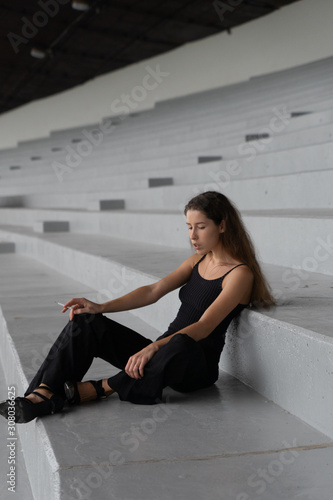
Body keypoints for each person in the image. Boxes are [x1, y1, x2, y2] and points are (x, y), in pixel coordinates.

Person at [0, 191, 275, 423]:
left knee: (179, 343)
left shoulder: (239, 274)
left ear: (223, 225)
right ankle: (42, 394)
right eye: (189, 227)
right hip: (160, 354)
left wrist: (154, 346)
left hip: (192, 365)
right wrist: (100, 307)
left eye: (201, 227)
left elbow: (203, 327)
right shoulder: (197, 262)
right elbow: (153, 291)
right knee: (86, 321)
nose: (193, 235)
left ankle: (102, 387)